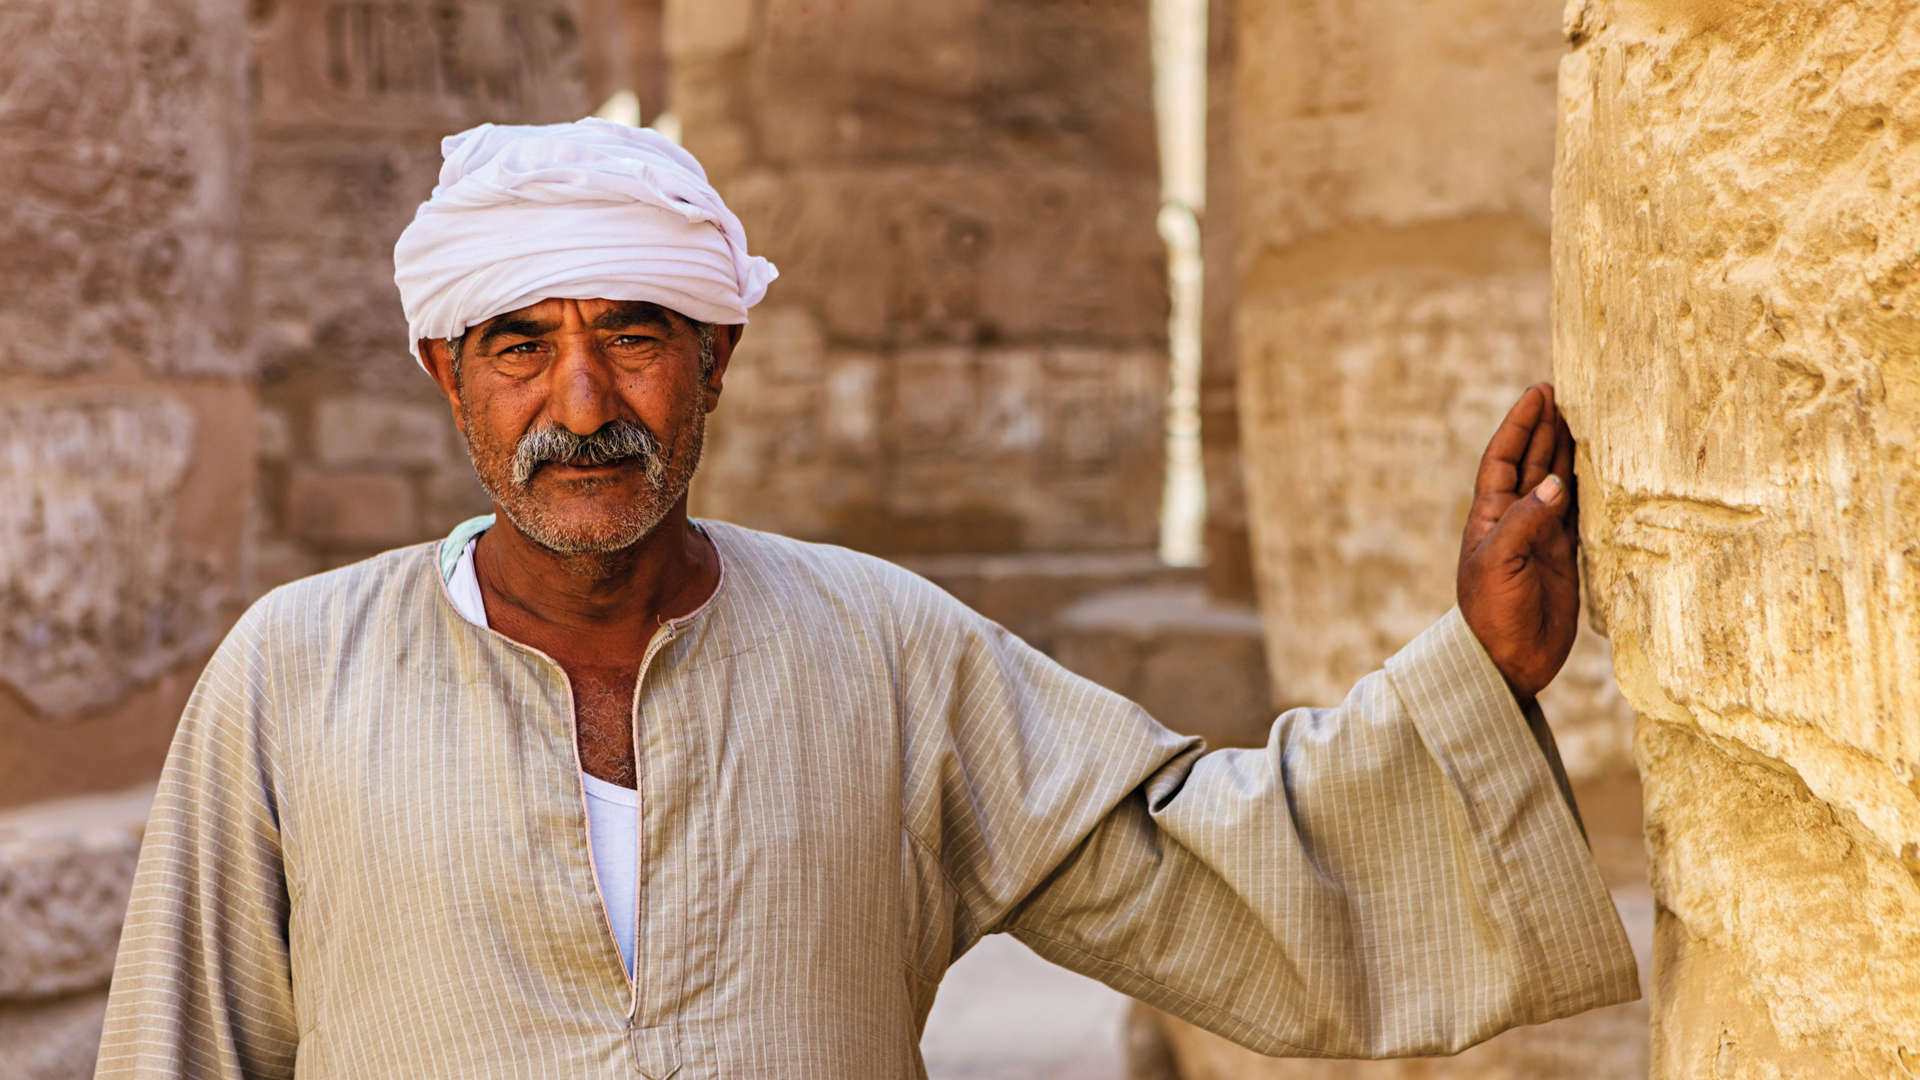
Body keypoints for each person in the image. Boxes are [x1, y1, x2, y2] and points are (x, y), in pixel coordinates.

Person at [95, 119, 1635, 1080]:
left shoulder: (884, 648)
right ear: (448, 376)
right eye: (519, 346)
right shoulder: (293, 675)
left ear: (715, 362)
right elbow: (181, 1048)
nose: (581, 401)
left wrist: (1477, 668)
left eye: (635, 336)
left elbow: (1195, 867)